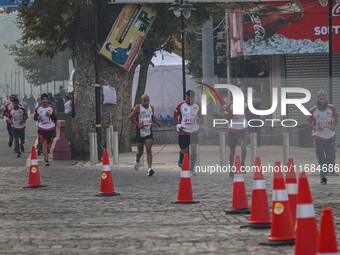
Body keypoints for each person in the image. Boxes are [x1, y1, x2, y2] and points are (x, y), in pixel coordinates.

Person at [307, 90, 338, 185]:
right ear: (318, 99)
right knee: (321, 159)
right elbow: (308, 122)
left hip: (330, 136)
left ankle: (331, 167)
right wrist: (315, 127)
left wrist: (334, 125)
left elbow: (336, 117)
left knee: (330, 158)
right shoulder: (313, 110)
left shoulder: (331, 108)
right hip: (318, 136)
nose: (323, 101)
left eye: (324, 99)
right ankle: (323, 178)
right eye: (321, 99)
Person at [129, 94, 162, 177]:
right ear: (141, 101)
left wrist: (157, 122)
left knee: (148, 150)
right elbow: (130, 117)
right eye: (145, 101)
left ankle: (149, 168)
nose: (146, 102)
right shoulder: (138, 108)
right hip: (140, 132)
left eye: (148, 101)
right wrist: (138, 124)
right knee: (140, 152)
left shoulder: (151, 108)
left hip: (148, 132)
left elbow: (152, 116)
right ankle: (137, 160)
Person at [173, 90, 201, 173]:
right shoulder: (180, 105)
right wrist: (178, 125)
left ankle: (191, 168)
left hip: (194, 132)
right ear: (186, 97)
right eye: (188, 98)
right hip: (183, 132)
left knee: (193, 149)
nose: (190, 99)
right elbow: (175, 116)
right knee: (184, 150)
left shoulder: (197, 106)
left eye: (192, 98)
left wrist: (197, 119)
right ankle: (181, 157)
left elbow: (200, 118)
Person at [225, 98, 250, 176]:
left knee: (243, 147)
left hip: (243, 128)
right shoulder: (229, 105)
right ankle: (231, 168)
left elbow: (248, 112)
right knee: (232, 150)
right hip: (233, 129)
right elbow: (226, 117)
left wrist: (245, 111)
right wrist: (233, 113)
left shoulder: (244, 104)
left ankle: (242, 164)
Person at [34, 93, 57, 166]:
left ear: (48, 100)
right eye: (43, 99)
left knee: (48, 144)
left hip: (50, 128)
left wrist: (50, 115)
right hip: (42, 128)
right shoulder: (38, 109)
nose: (45, 100)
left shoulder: (52, 108)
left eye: (46, 99)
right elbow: (35, 118)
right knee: (44, 143)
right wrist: (38, 118)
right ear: (41, 101)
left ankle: (47, 153)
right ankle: (46, 160)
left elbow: (55, 118)